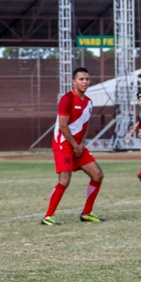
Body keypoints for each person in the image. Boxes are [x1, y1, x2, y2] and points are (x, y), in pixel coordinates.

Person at [42, 67, 105, 225]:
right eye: (81, 79)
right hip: (63, 144)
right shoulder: (67, 99)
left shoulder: (89, 102)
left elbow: (84, 125)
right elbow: (63, 126)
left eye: (87, 79)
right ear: (74, 81)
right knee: (64, 179)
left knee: (98, 175)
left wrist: (80, 144)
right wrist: (75, 145)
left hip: (77, 145)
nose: (85, 82)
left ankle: (87, 213)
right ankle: (48, 216)